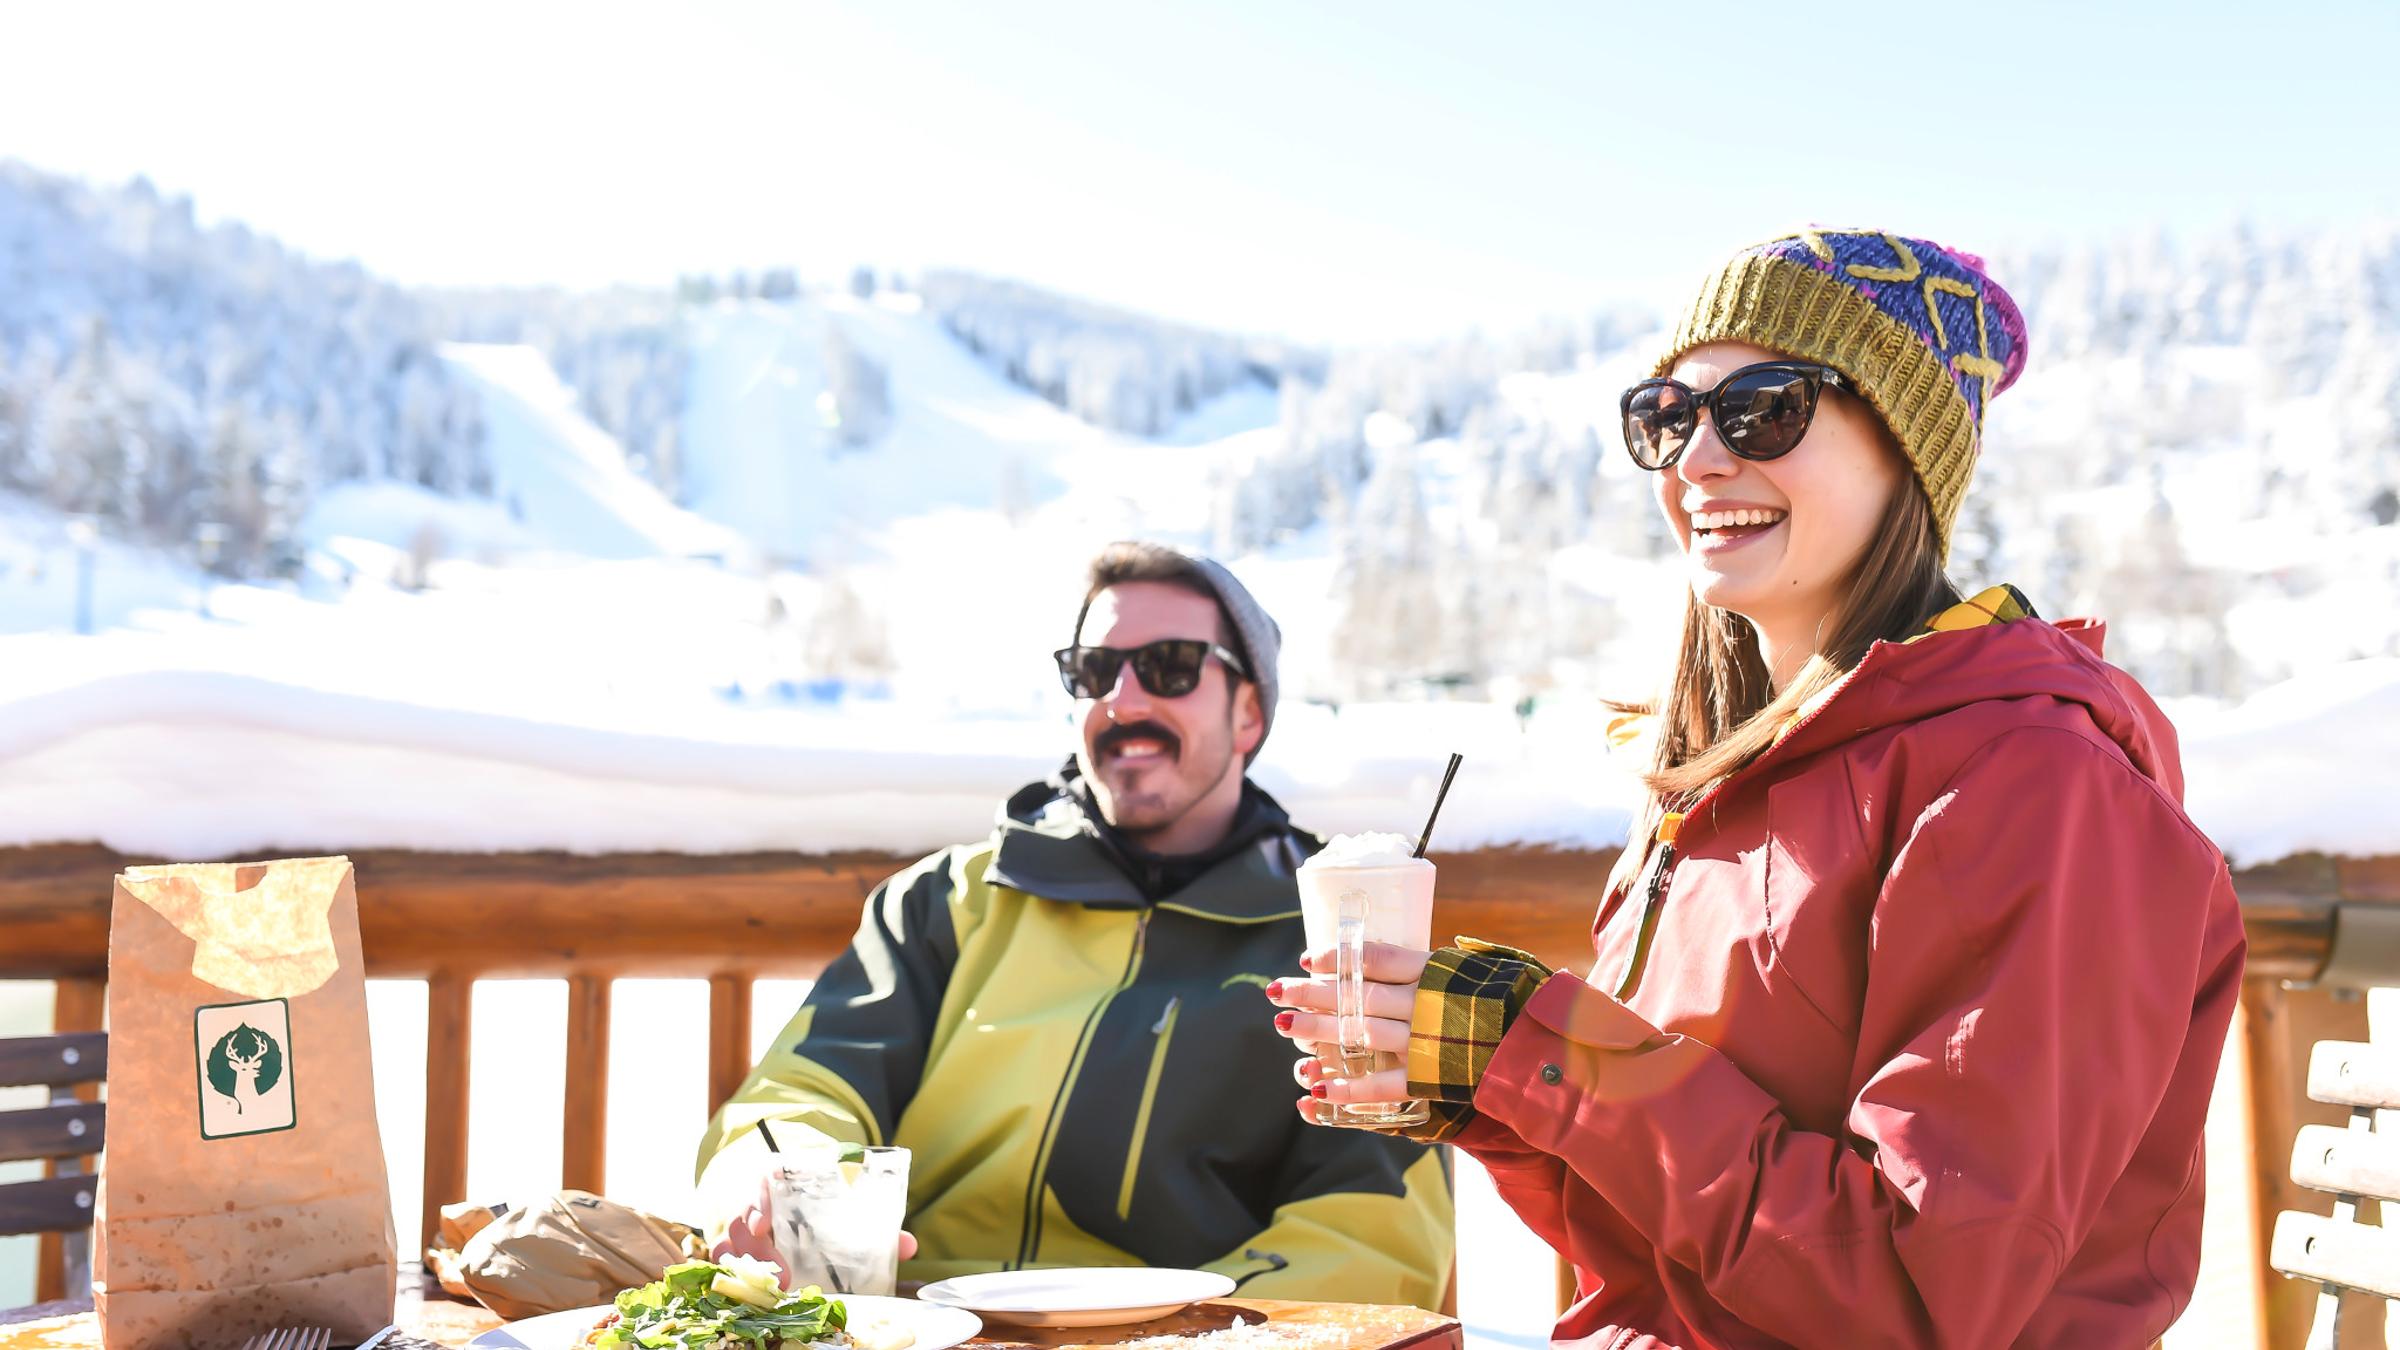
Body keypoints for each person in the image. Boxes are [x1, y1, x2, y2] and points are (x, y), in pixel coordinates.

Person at [1268, 228, 2245, 1345]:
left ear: (1906, 451)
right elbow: (1672, 1248)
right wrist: (1491, 1087)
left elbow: (1920, 1301)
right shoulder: (1717, 788)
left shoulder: (2034, 787)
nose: (1695, 461)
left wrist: (1552, 1053)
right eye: (1667, 417)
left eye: (1764, 409)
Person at [698, 541, 1453, 1306]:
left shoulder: (1331, 940)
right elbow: (799, 1090)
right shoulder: (949, 903)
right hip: (916, 1320)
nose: (1122, 702)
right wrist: (778, 1181)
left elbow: (1369, 1232)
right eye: (1094, 671)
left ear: (1250, 711)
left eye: (1171, 667)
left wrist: (1195, 1329)